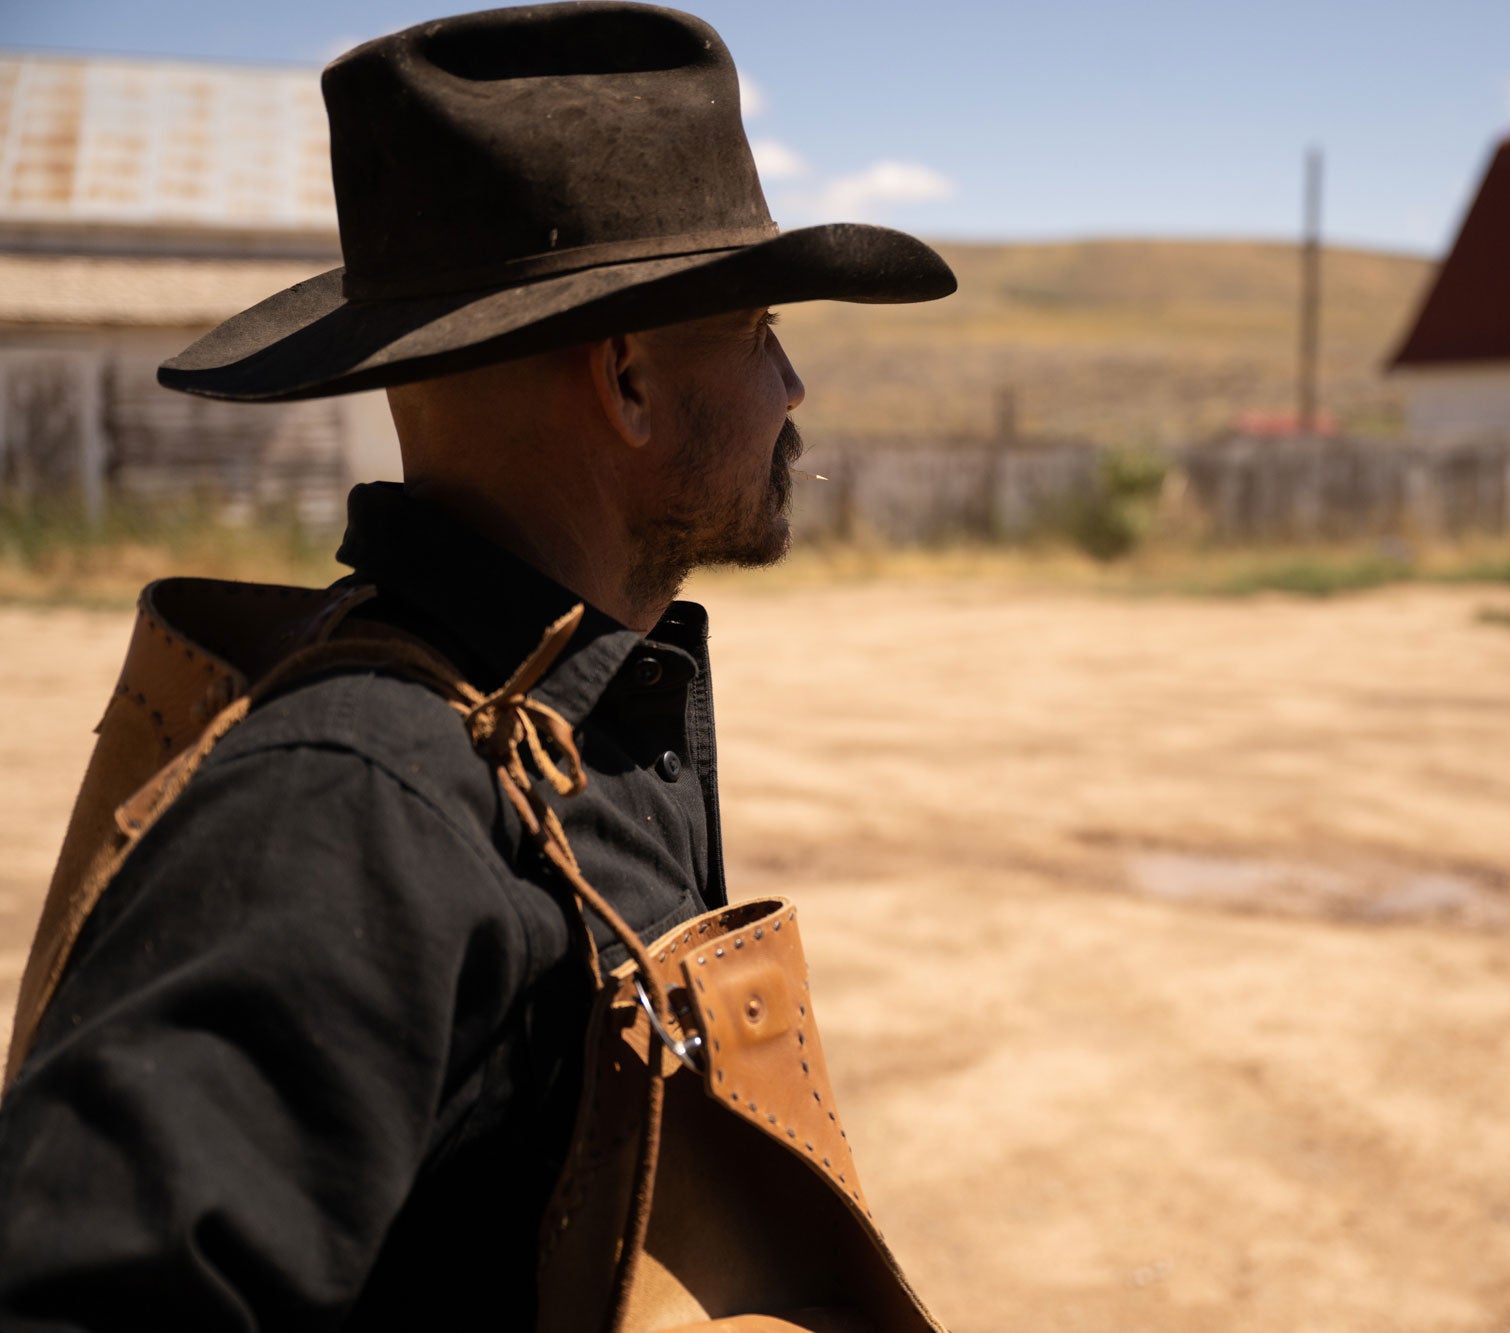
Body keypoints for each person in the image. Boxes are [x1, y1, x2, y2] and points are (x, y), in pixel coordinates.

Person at [0, 5, 955, 1329]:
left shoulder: (553, 713)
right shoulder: (350, 800)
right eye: (756, 330)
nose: (791, 384)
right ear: (625, 376)